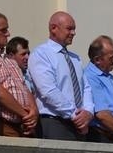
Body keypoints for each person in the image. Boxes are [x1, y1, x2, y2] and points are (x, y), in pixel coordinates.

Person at [28, 11, 93, 141]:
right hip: (55, 123)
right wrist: (75, 115)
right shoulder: (41, 54)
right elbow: (48, 91)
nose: (73, 33)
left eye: (74, 29)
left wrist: (88, 112)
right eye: (69, 28)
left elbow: (85, 87)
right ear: (53, 28)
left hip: (79, 125)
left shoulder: (75, 59)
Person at [0, 11, 38, 137]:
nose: (8, 34)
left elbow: (25, 87)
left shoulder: (8, 59)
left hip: (23, 123)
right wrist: (25, 114)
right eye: (3, 30)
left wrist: (34, 111)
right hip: (2, 124)